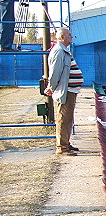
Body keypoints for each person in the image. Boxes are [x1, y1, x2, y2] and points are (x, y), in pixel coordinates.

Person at [44, 27, 83, 155]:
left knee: (68, 119)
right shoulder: (59, 51)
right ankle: (62, 148)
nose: (71, 37)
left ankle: (66, 143)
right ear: (62, 37)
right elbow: (55, 73)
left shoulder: (64, 50)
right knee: (63, 118)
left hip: (71, 91)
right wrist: (51, 87)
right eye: (69, 35)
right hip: (65, 91)